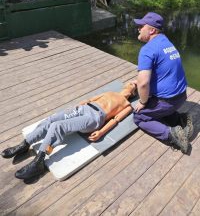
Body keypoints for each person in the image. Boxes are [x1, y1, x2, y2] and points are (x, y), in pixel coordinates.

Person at [1, 82, 137, 180]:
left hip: (95, 118)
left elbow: (116, 120)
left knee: (58, 126)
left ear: (133, 93)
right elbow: (90, 99)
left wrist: (101, 132)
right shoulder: (110, 92)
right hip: (84, 109)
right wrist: (77, 107)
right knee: (51, 120)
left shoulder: (127, 106)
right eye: (131, 83)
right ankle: (25, 144)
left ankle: (39, 161)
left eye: (134, 86)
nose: (131, 85)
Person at [132, 12, 193, 154]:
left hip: (168, 101)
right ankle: (180, 119)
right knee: (159, 108)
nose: (138, 28)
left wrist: (142, 101)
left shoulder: (147, 49)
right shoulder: (166, 42)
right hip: (181, 96)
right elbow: (163, 70)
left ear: (152, 30)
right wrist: (142, 81)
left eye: (142, 26)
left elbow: (143, 84)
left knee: (139, 117)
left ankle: (172, 135)